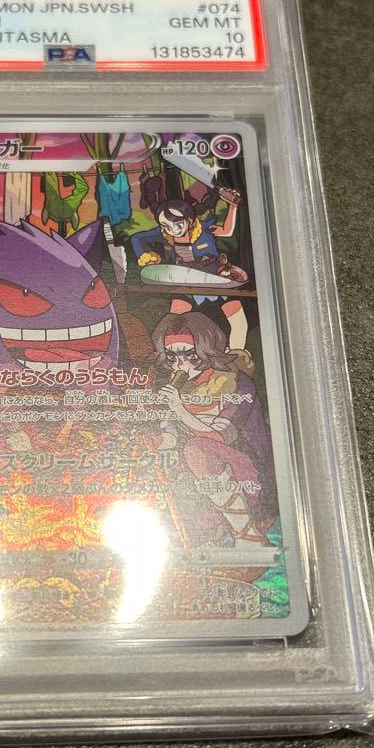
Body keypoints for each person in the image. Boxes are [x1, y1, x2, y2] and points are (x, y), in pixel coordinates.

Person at [152, 312, 278, 562]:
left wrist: (179, 409)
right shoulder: (181, 388)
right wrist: (156, 442)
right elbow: (173, 435)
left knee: (197, 449)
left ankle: (250, 537)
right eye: (172, 356)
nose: (180, 364)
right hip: (204, 482)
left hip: (251, 476)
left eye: (189, 355)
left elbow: (218, 436)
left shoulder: (237, 384)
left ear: (208, 349)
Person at [130, 190, 249, 350]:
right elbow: (136, 238)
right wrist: (145, 255)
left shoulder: (204, 229)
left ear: (189, 220)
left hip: (215, 281)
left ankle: (237, 354)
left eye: (177, 225)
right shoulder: (164, 234)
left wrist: (233, 206)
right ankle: (170, 355)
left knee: (238, 321)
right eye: (166, 226)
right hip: (186, 284)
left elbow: (227, 231)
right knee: (172, 322)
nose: (172, 230)